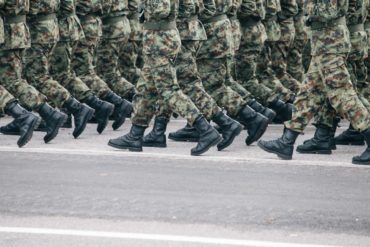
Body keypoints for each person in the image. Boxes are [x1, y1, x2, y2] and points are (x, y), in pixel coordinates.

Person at [257, 0, 370, 165]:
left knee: (341, 94)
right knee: (308, 93)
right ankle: (286, 141)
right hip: (324, 41)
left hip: (330, 41)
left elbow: (328, 12)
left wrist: (306, 5)